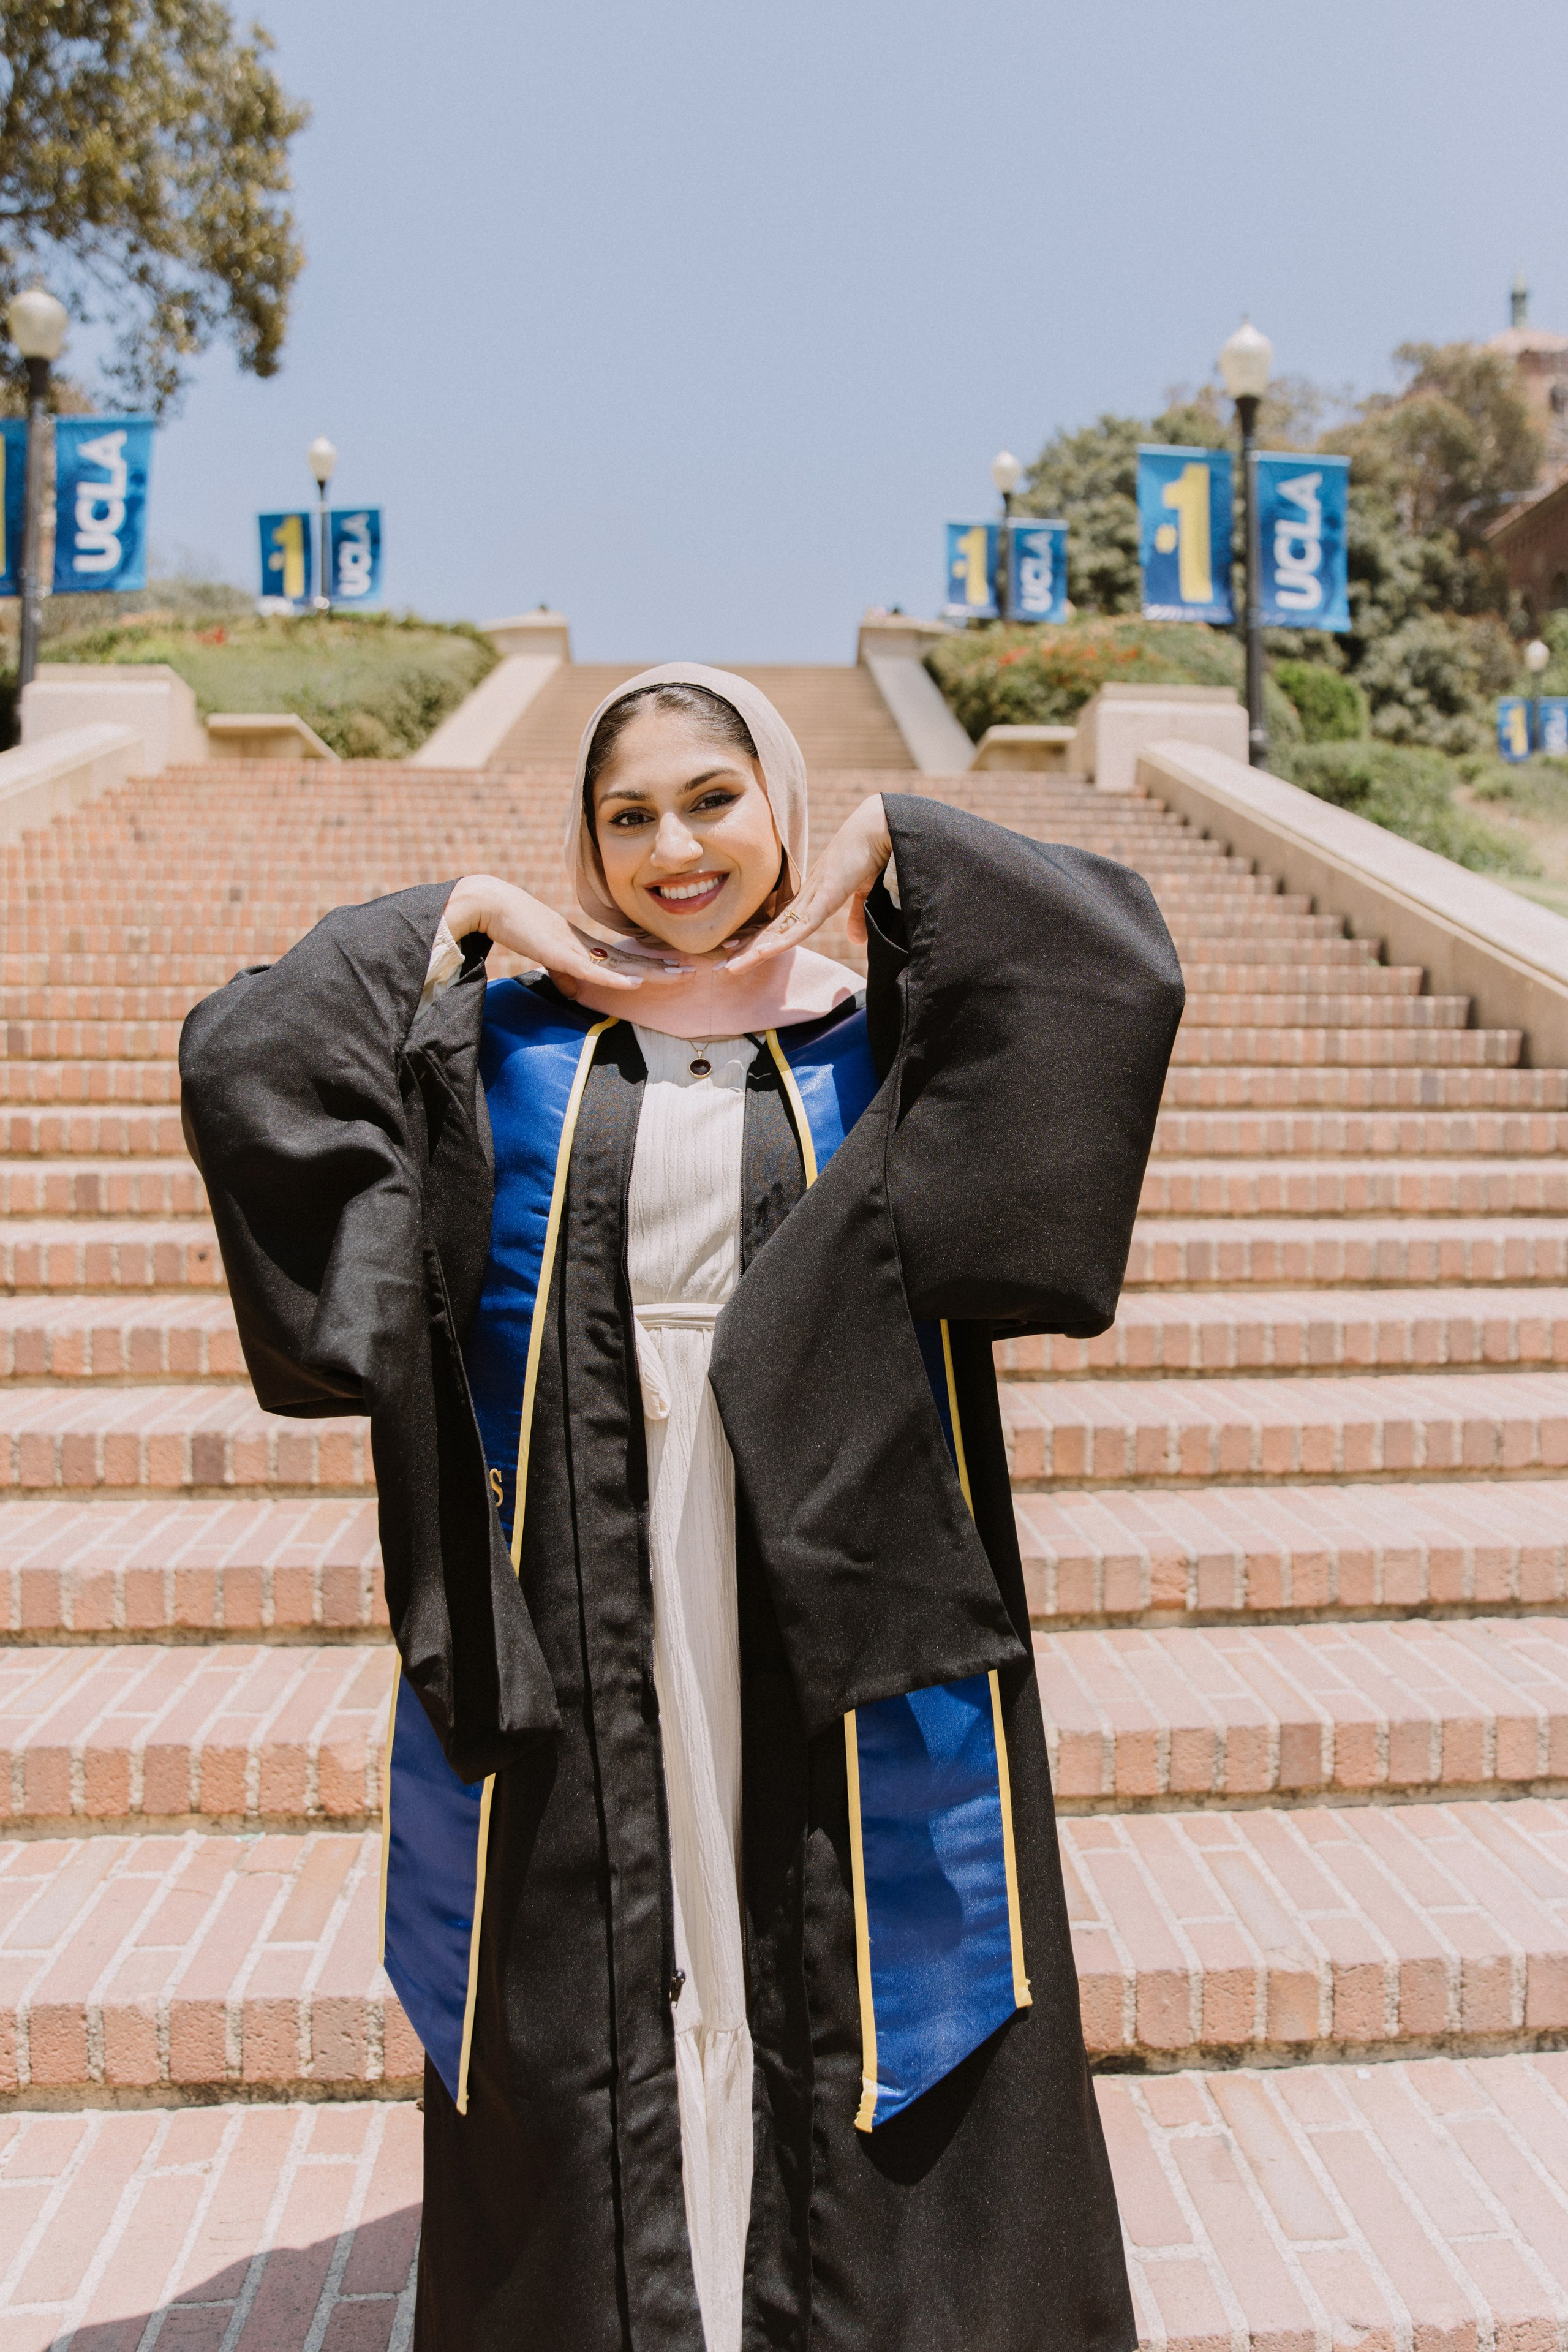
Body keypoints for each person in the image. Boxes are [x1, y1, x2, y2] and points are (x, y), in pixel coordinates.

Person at [179, 664, 1184, 2352]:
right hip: (583, 1555)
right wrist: (474, 909)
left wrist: (894, 840)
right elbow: (250, 1059)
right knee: (595, 1931)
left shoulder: (882, 1030)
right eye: (624, 816)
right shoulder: (510, 1040)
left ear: (777, 801)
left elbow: (1111, 965)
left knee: (848, 1935)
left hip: (828, 1559)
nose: (673, 848)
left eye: (716, 797)